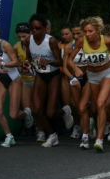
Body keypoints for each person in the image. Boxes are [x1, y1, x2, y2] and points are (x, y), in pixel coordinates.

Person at [68, 16, 110, 152]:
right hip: (92, 75)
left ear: (97, 31)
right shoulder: (81, 42)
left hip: (107, 73)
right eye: (85, 31)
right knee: (97, 107)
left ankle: (99, 139)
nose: (88, 34)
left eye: (91, 31)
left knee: (101, 103)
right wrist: (75, 68)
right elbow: (69, 60)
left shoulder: (106, 40)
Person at [23, 14, 73, 147]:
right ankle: (52, 135)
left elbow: (60, 61)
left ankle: (64, 111)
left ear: (45, 28)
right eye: (32, 28)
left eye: (38, 28)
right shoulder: (28, 40)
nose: (34, 31)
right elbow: (28, 57)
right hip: (40, 74)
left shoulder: (50, 41)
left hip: (54, 75)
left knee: (50, 112)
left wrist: (49, 61)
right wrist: (27, 64)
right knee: (37, 109)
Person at [63, 21, 92, 149]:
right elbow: (65, 67)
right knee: (75, 106)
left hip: (89, 77)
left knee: (82, 107)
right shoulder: (69, 47)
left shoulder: (91, 45)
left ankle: (85, 136)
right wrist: (72, 77)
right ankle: (81, 125)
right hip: (75, 78)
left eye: (78, 33)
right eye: (73, 34)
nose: (76, 36)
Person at [13, 23, 36, 133]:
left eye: (24, 36)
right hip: (25, 80)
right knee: (27, 109)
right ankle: (31, 129)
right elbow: (13, 61)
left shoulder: (37, 45)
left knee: (37, 107)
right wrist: (19, 67)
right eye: (20, 37)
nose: (22, 39)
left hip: (37, 80)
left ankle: (41, 130)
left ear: (31, 33)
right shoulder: (16, 47)